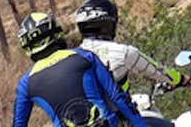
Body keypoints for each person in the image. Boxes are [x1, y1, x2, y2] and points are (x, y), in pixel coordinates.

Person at [13, 12, 148, 127]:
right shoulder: (84, 56)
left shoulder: (26, 84)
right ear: (56, 33)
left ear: (27, 47)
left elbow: (19, 124)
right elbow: (117, 96)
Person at [75, 0, 191, 92]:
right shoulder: (122, 52)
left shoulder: (71, 57)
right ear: (109, 24)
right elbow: (158, 72)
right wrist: (182, 79)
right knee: (167, 123)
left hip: (81, 119)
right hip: (118, 117)